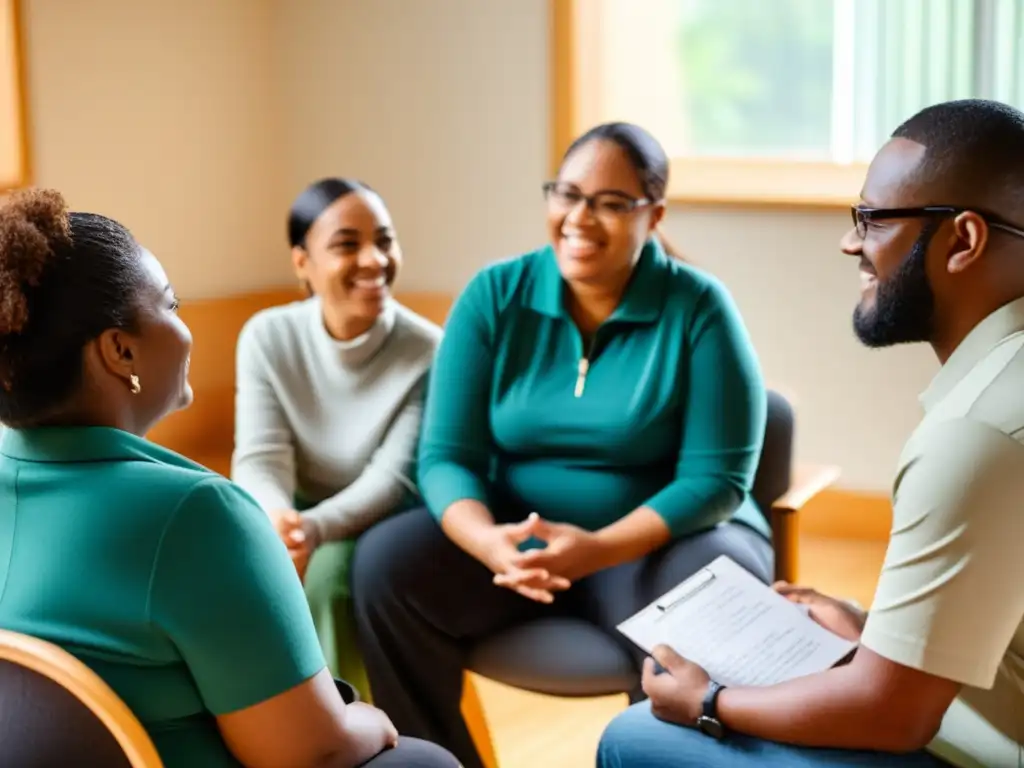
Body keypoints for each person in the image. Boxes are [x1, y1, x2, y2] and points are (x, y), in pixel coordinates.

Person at [596, 98, 1024, 768]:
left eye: (873, 219)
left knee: (636, 736)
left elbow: (893, 713)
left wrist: (708, 701)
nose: (851, 242)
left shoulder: (976, 433)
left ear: (963, 241)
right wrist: (871, 632)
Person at [351, 122, 772, 768]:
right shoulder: (495, 296)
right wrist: (488, 539)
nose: (580, 218)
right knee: (385, 564)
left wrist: (598, 549)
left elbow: (717, 481)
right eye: (567, 195)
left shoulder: (700, 309)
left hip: (658, 544)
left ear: (652, 214)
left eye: (610, 202)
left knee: (710, 589)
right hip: (520, 539)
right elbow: (446, 457)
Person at [0, 189, 457, 768]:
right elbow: (311, 751)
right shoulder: (195, 515)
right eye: (170, 305)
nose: (183, 328)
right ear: (120, 351)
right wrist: (365, 718)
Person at [231, 178, 441, 698]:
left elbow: (392, 479)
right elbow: (259, 459)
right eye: (347, 244)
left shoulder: (428, 350)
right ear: (302, 263)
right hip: (296, 516)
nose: (374, 260)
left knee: (327, 579)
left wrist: (310, 532)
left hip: (384, 519)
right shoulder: (267, 335)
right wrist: (279, 523)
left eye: (385, 240)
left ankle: (345, 730)